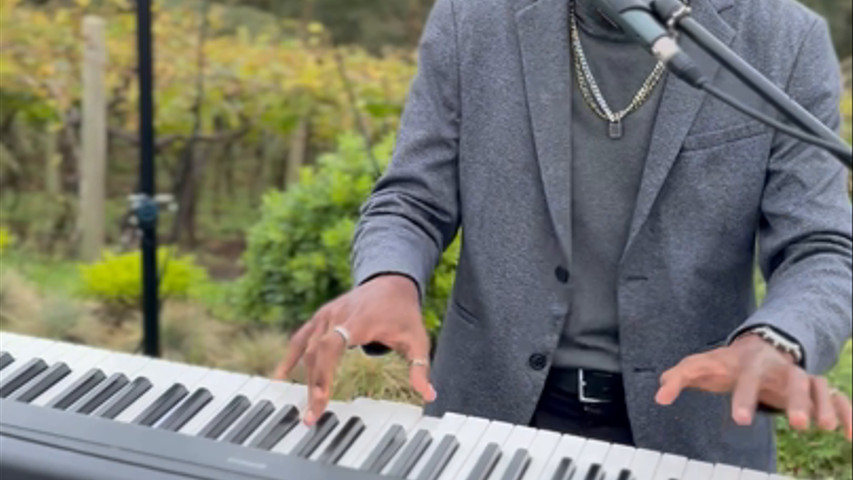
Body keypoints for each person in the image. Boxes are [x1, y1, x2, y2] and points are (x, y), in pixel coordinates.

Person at [274, 0, 853, 471]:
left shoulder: (786, 40)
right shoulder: (472, 18)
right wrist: (389, 277)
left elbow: (821, 246)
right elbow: (411, 198)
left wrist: (776, 340)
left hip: (694, 427)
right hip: (490, 412)